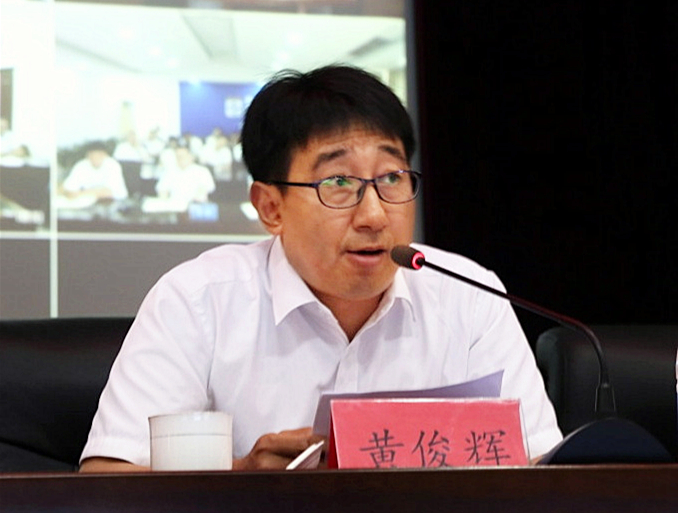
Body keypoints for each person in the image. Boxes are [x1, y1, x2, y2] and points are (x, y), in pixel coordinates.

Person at [79, 65, 562, 473]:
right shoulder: (198, 300)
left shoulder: (470, 297)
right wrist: (242, 478)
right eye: (338, 182)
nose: (374, 215)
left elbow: (542, 469)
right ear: (271, 207)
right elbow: (106, 481)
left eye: (392, 178)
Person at [60, 141, 128, 201]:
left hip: (116, 202)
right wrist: (72, 193)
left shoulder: (113, 165)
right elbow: (68, 189)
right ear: (87, 155)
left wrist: (79, 194)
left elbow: (107, 193)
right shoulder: (81, 166)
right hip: (89, 202)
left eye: (99, 155)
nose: (95, 158)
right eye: (92, 155)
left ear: (105, 154)